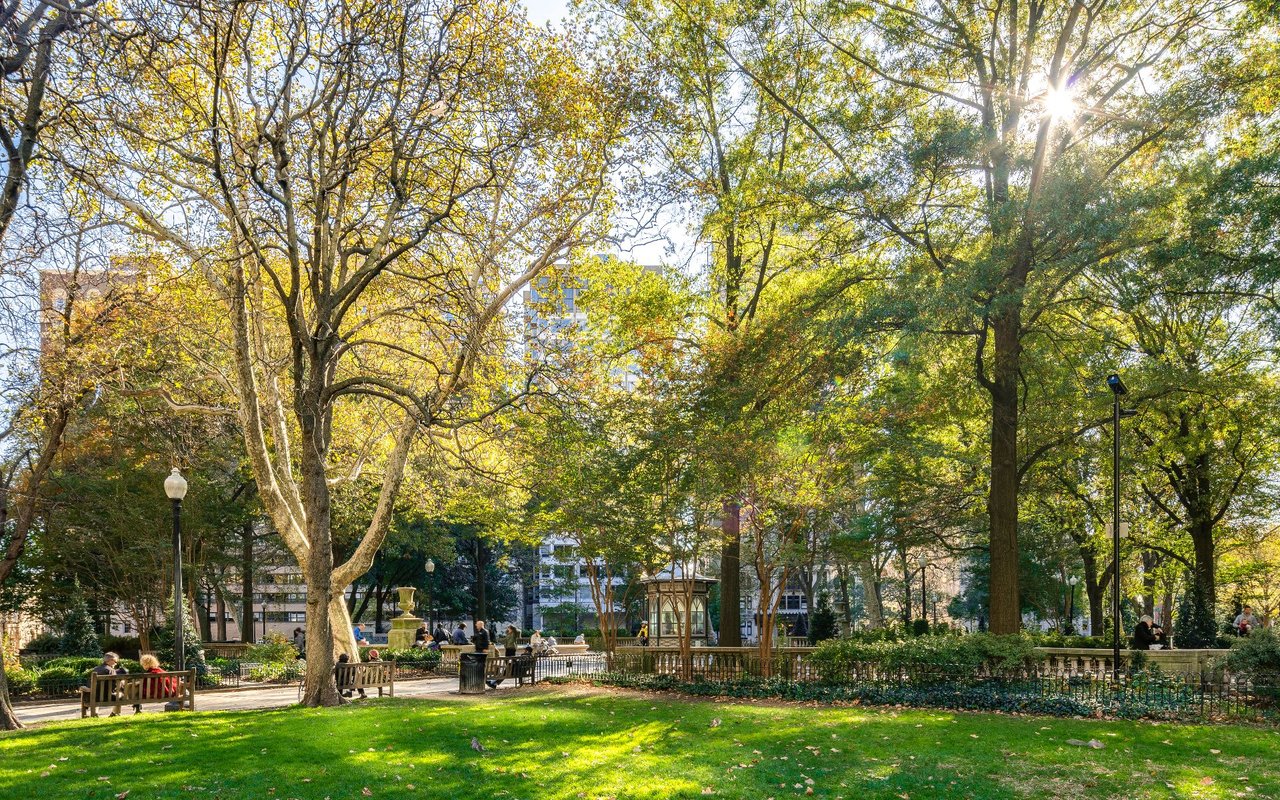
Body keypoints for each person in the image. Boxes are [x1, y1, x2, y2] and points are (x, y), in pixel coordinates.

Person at [81, 652, 126, 716]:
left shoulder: (95, 669)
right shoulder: (111, 670)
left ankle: (95, 713)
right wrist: (121, 683)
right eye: (115, 661)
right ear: (110, 661)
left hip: (92, 698)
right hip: (107, 697)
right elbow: (114, 686)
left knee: (97, 692)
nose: (116, 664)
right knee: (121, 695)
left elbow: (89, 684)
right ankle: (114, 713)